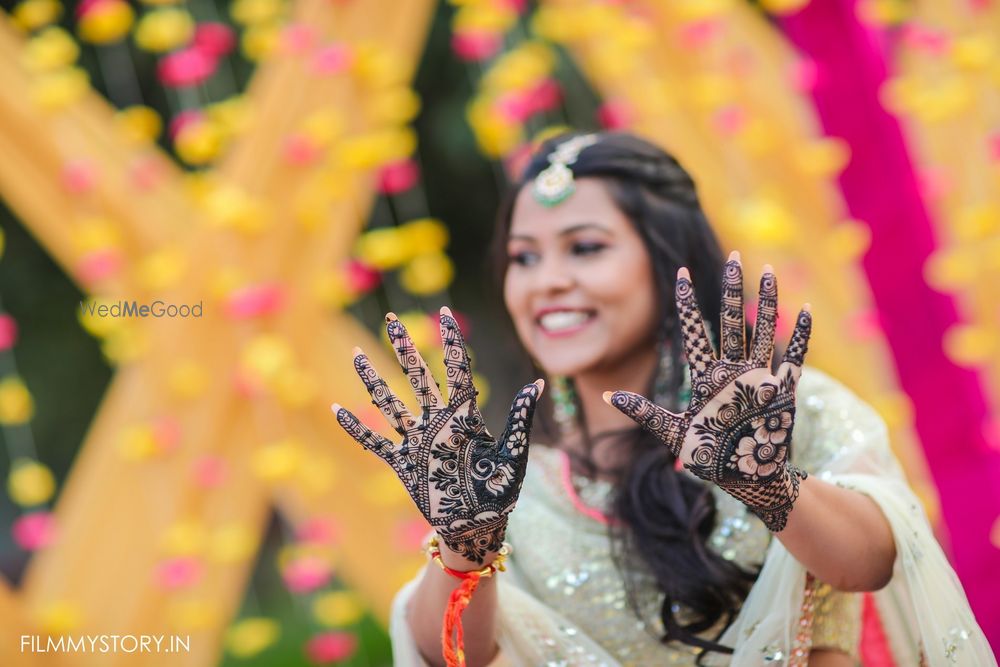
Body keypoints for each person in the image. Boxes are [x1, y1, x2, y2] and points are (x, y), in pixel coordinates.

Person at [330, 132, 994, 666]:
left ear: (666, 258)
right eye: (523, 257)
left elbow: (875, 560)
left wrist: (771, 487)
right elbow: (449, 655)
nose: (548, 282)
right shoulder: (513, 489)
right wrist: (464, 545)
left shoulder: (779, 414)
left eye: (585, 248)